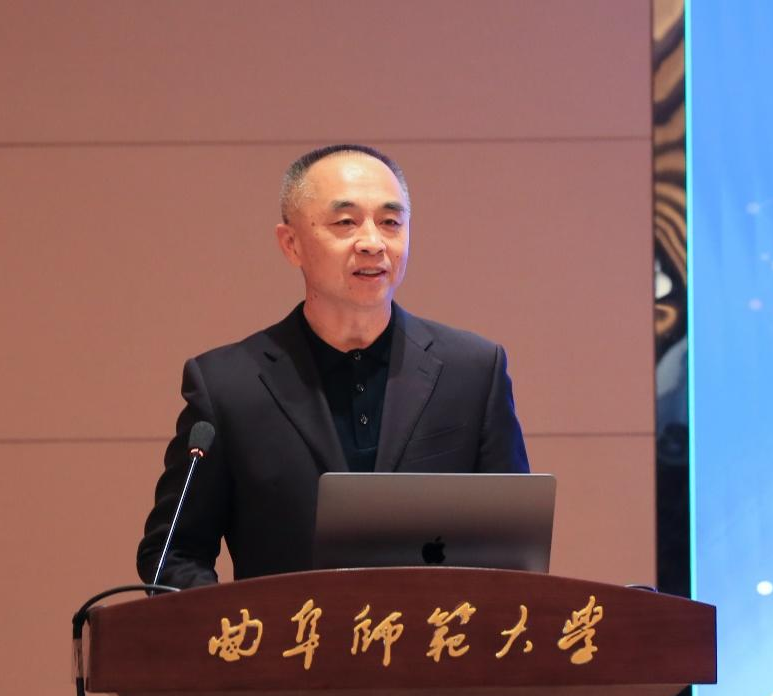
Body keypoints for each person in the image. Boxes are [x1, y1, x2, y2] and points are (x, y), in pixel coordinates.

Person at [137, 144, 530, 587]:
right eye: (345, 222)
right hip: (288, 631)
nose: (373, 243)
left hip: (437, 631)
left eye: (390, 222)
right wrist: (238, 626)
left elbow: (513, 549)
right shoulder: (228, 386)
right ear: (291, 245)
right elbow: (172, 554)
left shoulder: (473, 371)